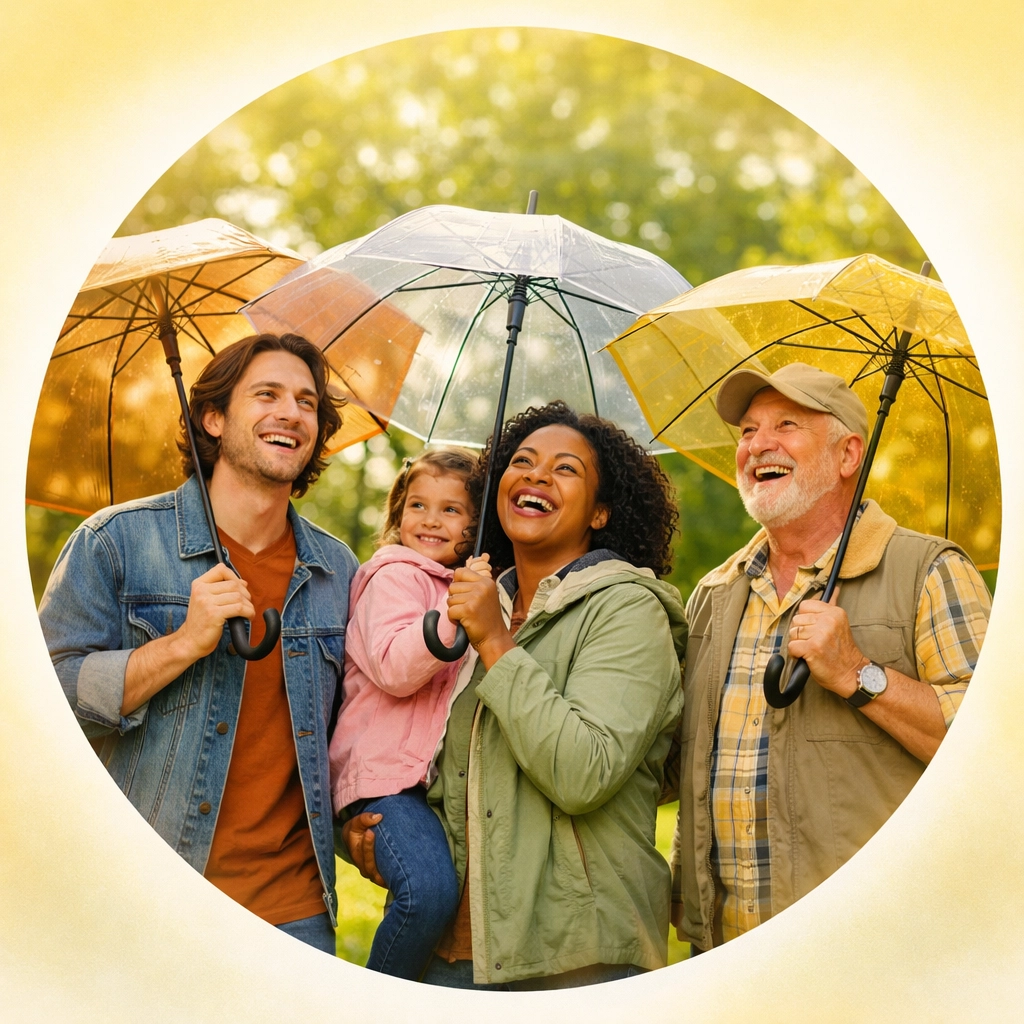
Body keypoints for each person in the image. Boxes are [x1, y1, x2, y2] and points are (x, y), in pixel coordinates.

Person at [345, 401, 686, 989]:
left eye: (565, 469)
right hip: (451, 956)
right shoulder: (468, 605)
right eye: (522, 461)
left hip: (572, 962)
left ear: (601, 512)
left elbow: (584, 772)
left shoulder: (627, 610)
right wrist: (377, 838)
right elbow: (446, 771)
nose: (535, 475)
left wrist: (496, 641)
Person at [39, 333, 358, 955]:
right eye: (266, 394)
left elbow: (348, 732)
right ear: (213, 418)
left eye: (307, 402)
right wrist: (182, 643)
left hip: (294, 919)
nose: (291, 412)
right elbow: (40, 710)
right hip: (148, 902)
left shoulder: (337, 571)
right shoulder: (114, 543)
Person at [669, 362, 992, 953]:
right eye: (747, 430)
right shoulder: (715, 593)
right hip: (720, 954)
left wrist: (857, 675)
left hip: (866, 949)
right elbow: (677, 763)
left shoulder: (931, 571)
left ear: (849, 456)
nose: (757, 444)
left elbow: (992, 757)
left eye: (786, 424)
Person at [328, 447, 486, 979]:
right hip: (380, 779)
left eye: (451, 510)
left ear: (476, 525)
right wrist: (454, 612)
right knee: (427, 893)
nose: (431, 520)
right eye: (417, 505)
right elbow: (396, 669)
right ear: (397, 513)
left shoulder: (458, 583)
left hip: (420, 782)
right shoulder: (392, 576)